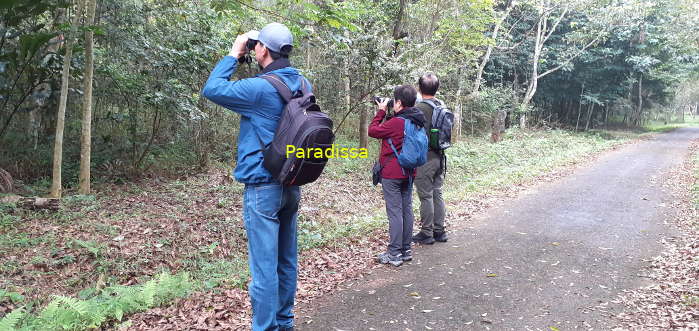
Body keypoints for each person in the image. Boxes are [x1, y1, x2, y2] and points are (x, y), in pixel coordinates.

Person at [201, 22, 309, 331]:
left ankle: (265, 327)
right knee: (286, 261)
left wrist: (235, 54)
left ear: (261, 49)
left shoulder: (260, 89)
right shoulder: (303, 83)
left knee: (264, 269)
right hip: (291, 183)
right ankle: (284, 323)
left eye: (256, 45)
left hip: (263, 188)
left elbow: (213, 88)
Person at [369, 85, 427, 266]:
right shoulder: (417, 120)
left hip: (392, 173)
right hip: (410, 172)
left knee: (395, 213)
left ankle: (394, 253)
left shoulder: (397, 122)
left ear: (399, 102)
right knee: (406, 210)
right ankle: (406, 250)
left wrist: (380, 111)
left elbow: (373, 130)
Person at [412, 73, 448, 245]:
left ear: (420, 87)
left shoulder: (418, 108)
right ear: (437, 88)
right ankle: (439, 230)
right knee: (437, 192)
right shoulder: (441, 105)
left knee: (425, 196)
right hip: (440, 157)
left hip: (425, 159)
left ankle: (427, 232)